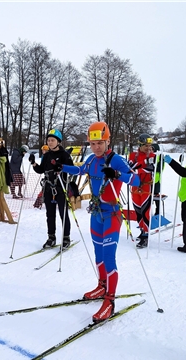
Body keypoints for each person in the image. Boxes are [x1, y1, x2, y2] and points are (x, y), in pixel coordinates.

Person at [61, 122, 140, 322]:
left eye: (100, 143)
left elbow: (137, 181)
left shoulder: (116, 160)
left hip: (112, 215)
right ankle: (102, 285)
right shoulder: (91, 160)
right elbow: (80, 171)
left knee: (108, 256)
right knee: (98, 255)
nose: (96, 147)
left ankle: (110, 300)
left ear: (108, 141)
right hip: (96, 215)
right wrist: (59, 166)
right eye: (93, 143)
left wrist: (117, 174)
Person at [29, 129, 73, 248]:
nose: (50, 142)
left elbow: (72, 171)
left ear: (58, 141)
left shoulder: (65, 155)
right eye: (48, 140)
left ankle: (66, 238)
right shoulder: (47, 155)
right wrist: (33, 163)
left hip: (61, 188)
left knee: (63, 214)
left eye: (52, 140)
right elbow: (41, 170)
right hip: (48, 188)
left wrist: (62, 168)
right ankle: (51, 237)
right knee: (50, 214)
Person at [128, 134, 156, 248]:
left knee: (145, 211)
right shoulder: (133, 155)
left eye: (149, 145)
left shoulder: (153, 155)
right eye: (145, 145)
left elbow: (152, 168)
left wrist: (138, 170)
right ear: (140, 145)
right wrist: (143, 164)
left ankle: (146, 234)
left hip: (146, 187)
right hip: (135, 187)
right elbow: (130, 167)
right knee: (138, 211)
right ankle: (141, 230)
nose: (148, 148)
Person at [151, 143, 166, 215]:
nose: (151, 150)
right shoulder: (149, 155)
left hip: (156, 180)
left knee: (156, 196)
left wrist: (153, 168)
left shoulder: (160, 156)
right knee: (148, 196)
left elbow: (161, 167)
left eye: (152, 148)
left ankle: (157, 212)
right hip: (149, 179)